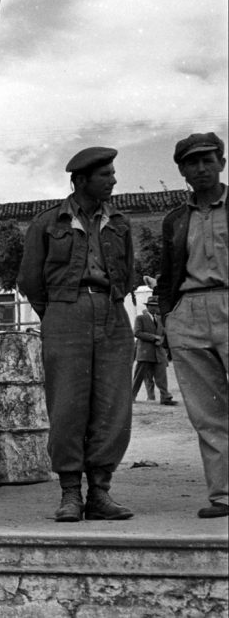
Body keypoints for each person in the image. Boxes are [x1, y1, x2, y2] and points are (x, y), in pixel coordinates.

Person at [17, 147, 135, 523]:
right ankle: (70, 492)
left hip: (113, 311)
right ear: (81, 180)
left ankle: (100, 492)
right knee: (67, 405)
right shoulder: (48, 223)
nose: (113, 180)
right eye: (106, 175)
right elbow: (30, 281)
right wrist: (56, 313)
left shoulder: (120, 223)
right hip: (65, 313)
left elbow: (129, 273)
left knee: (113, 404)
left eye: (113, 174)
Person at [156, 132, 228, 519]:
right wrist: (169, 320)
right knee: (207, 412)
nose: (201, 168)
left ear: (222, 163)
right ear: (182, 171)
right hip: (189, 310)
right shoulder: (175, 220)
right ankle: (223, 495)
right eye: (192, 162)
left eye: (208, 160)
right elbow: (167, 277)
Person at [131, 296, 175, 405]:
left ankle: (165, 397)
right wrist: (154, 337)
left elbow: (164, 334)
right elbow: (137, 332)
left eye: (156, 306)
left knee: (162, 377)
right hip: (145, 352)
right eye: (152, 306)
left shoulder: (160, 319)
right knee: (139, 377)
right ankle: (131, 396)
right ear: (148, 306)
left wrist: (161, 340)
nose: (154, 308)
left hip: (158, 353)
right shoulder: (140, 318)